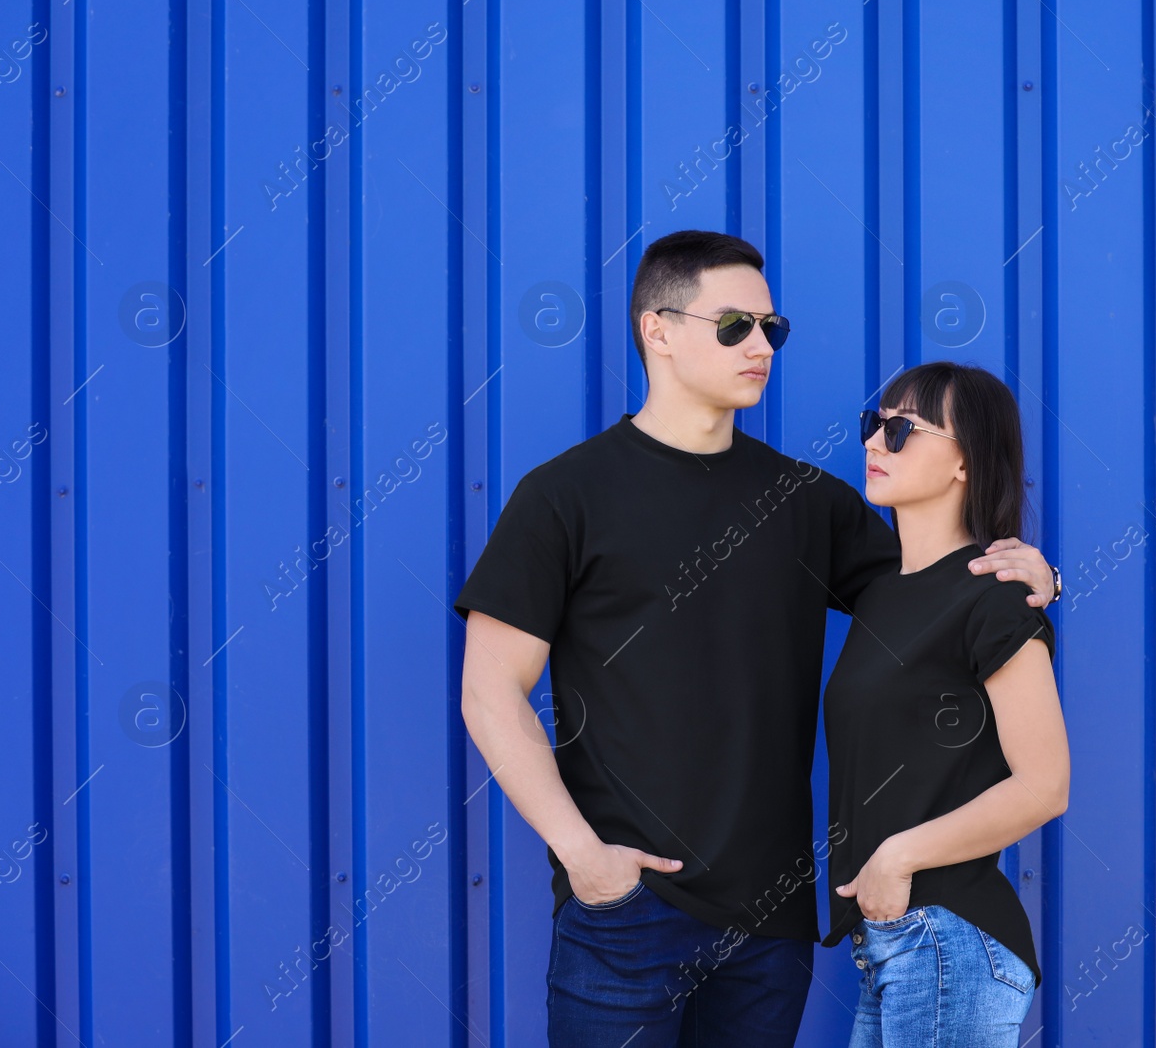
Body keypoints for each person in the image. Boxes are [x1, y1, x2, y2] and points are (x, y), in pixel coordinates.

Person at [452, 230, 1060, 1047]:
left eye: (771, 329)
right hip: (626, 917)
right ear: (656, 330)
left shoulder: (806, 503)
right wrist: (585, 858)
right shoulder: (566, 495)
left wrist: (1045, 578)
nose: (758, 346)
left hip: (768, 933)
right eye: (733, 324)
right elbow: (490, 692)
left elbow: (952, 591)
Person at [821, 361, 1069, 1046]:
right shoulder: (879, 595)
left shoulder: (994, 595)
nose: (874, 443)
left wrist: (898, 856)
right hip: (892, 945)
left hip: (948, 939)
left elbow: (1045, 786)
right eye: (874, 425)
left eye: (901, 431)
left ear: (967, 462)